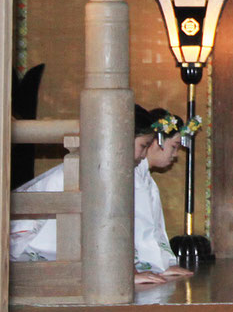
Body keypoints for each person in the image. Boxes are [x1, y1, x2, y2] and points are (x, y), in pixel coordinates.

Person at [10, 105, 193, 286]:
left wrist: (158, 265)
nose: (144, 154)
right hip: (38, 245)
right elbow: (109, 226)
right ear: (122, 139)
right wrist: (125, 272)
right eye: (143, 146)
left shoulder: (114, 170)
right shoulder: (96, 171)